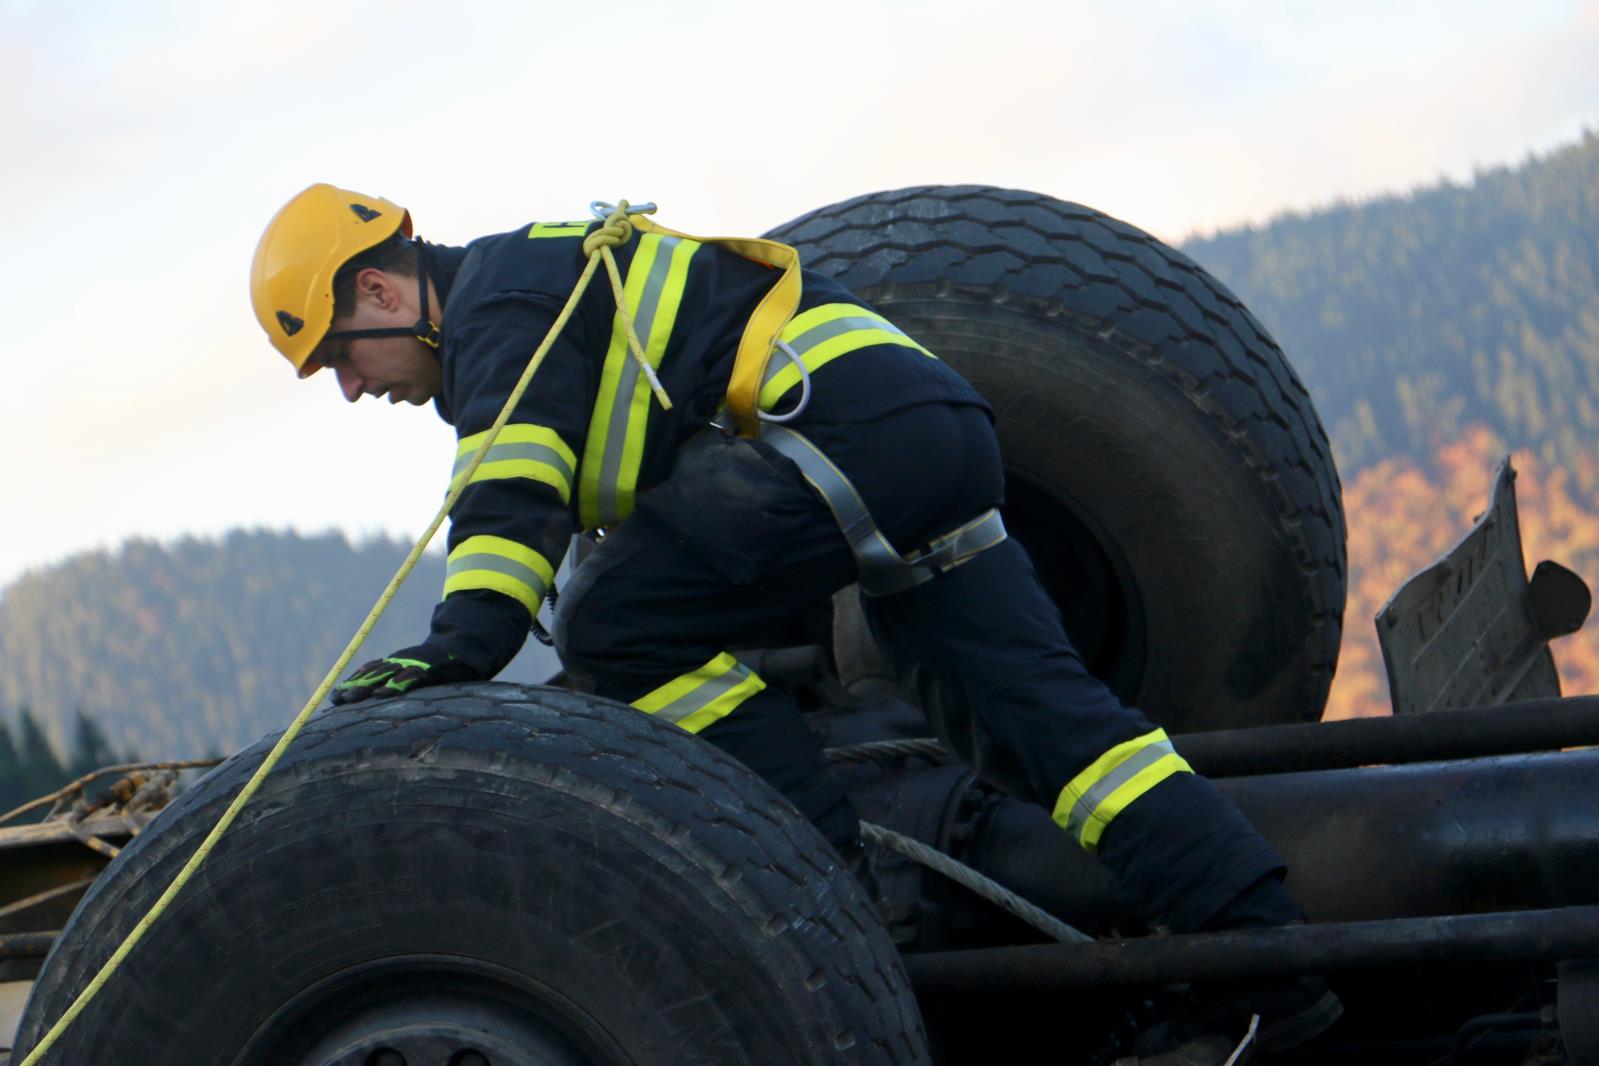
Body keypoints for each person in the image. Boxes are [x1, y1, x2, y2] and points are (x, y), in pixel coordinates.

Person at [251, 183, 1340, 1064]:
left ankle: (828, 875)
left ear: (386, 290)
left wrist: (459, 647)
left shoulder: (497, 303)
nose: (350, 388)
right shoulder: (536, 280)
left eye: (339, 356)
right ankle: (1272, 970)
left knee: (620, 623)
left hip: (848, 434)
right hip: (927, 427)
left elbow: (508, 489)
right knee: (1057, 733)